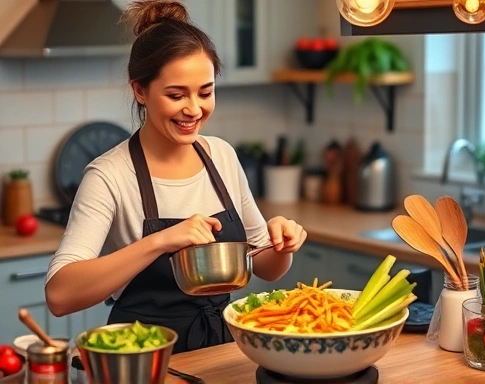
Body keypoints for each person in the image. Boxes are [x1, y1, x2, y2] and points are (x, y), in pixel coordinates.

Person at [45, 0, 307, 354]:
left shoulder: (222, 156)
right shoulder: (109, 175)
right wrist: (160, 241)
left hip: (222, 349)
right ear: (140, 90)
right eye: (176, 95)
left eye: (206, 92)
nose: (194, 109)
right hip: (144, 358)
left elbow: (266, 267)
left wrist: (282, 242)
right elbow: (60, 295)